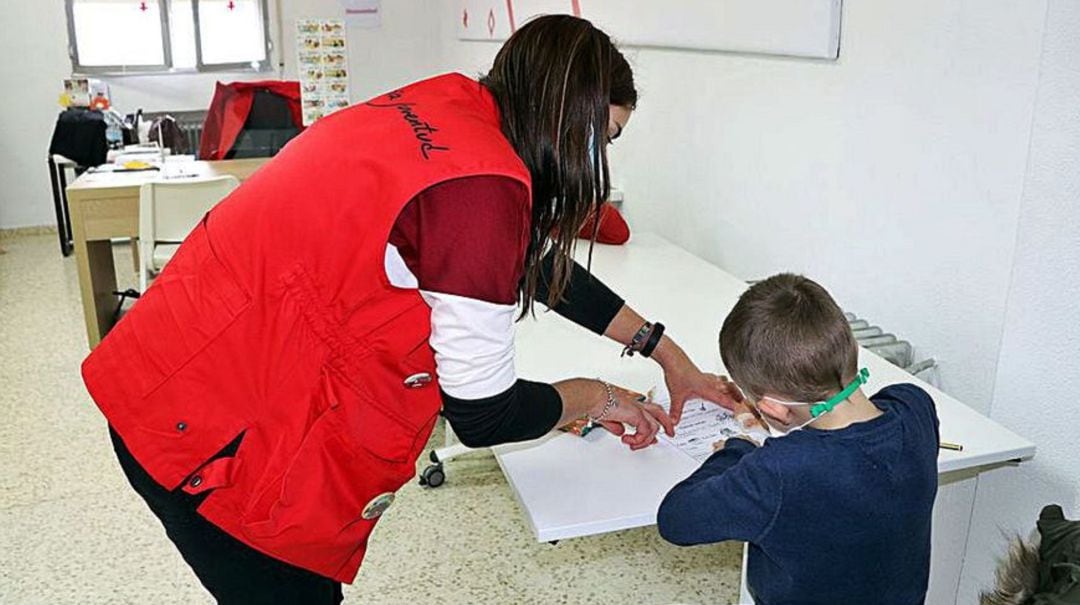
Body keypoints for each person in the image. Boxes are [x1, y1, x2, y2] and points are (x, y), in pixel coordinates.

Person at [82, 15, 742, 603]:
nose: (598, 161)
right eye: (605, 138)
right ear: (566, 117)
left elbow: (535, 264)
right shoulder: (483, 188)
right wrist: (598, 396)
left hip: (169, 366)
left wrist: (669, 355)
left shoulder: (450, 107)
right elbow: (484, 413)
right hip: (209, 439)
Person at [657, 273, 940, 605]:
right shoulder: (916, 408)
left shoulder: (778, 470)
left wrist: (736, 451)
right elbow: (886, 402)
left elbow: (676, 519)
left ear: (773, 409)